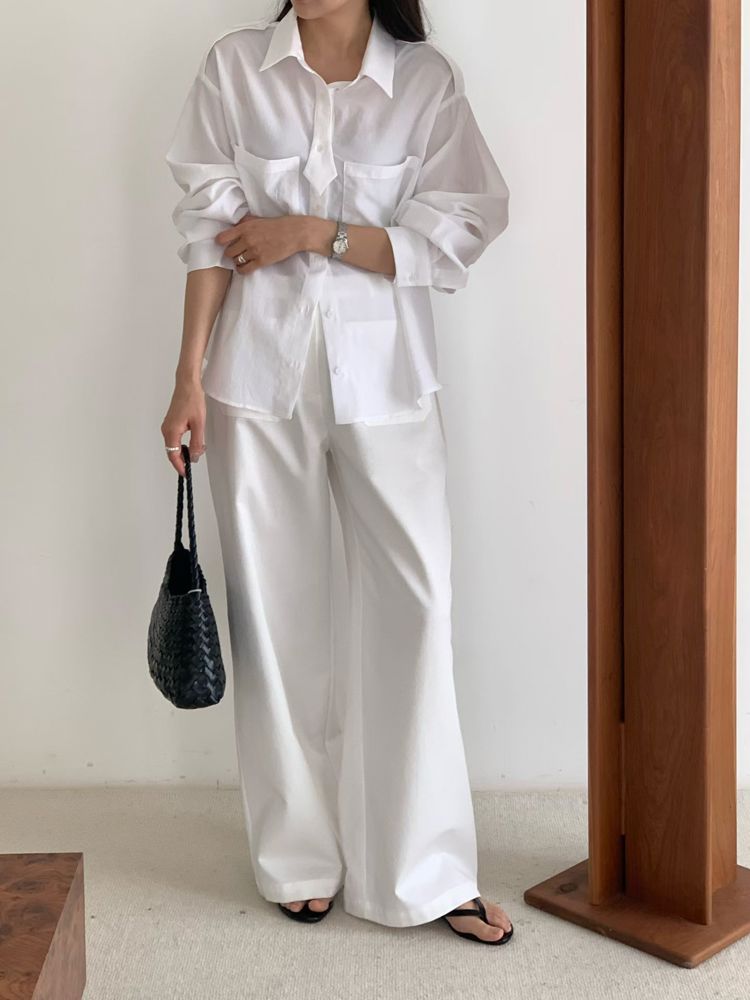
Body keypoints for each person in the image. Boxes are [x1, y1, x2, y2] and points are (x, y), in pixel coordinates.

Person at [162, 0, 512, 945]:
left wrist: (314, 233)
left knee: (418, 606)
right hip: (253, 380)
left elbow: (465, 224)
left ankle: (425, 871)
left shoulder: (425, 84)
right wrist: (187, 377)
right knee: (275, 618)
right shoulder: (235, 69)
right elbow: (207, 236)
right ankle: (297, 857)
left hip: (388, 384)